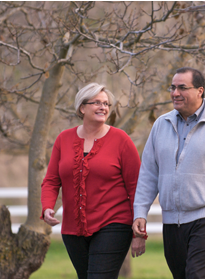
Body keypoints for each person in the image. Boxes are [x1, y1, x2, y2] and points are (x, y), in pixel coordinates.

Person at [132, 67, 205, 279]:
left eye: (182, 88)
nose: (175, 93)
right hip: (172, 222)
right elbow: (148, 174)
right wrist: (140, 212)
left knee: (197, 276)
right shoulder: (161, 125)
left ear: (200, 91)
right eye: (173, 87)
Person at [41, 83, 145, 279]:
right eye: (96, 102)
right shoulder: (64, 139)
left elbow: (136, 187)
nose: (103, 107)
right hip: (73, 229)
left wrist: (139, 231)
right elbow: (51, 180)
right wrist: (47, 206)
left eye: (106, 103)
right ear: (82, 107)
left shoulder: (121, 140)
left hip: (114, 223)